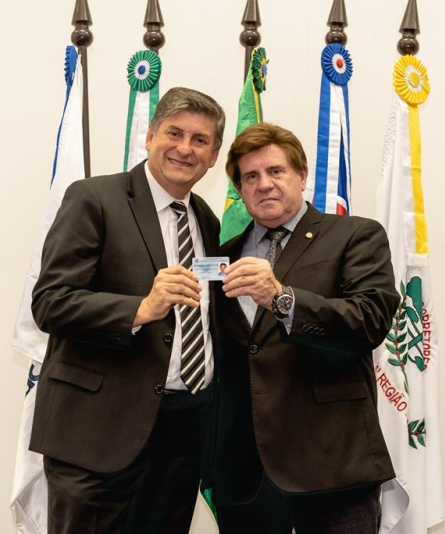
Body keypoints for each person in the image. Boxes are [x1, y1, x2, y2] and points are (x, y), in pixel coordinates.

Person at [29, 87, 225, 533]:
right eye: (174, 133)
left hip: (183, 434)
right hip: (97, 436)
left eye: (200, 140)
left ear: (213, 156)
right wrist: (141, 308)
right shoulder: (95, 198)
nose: (185, 148)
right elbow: (50, 302)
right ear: (150, 135)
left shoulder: (207, 220)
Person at [211, 122, 400, 533]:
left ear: (301, 176)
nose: (264, 184)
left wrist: (282, 298)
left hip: (333, 465)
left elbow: (369, 321)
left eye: (275, 171)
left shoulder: (355, 235)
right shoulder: (221, 257)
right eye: (250, 177)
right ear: (240, 191)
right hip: (245, 475)